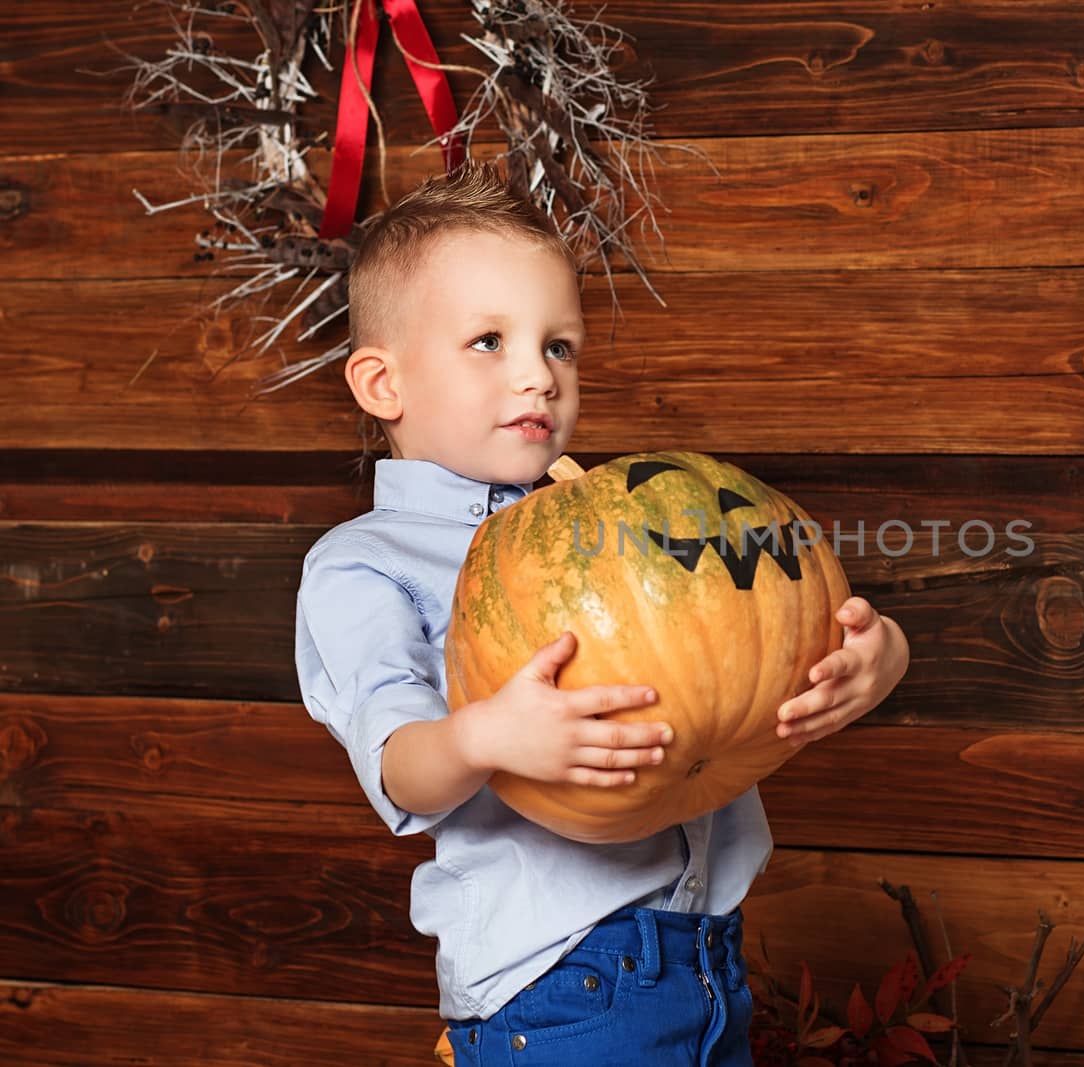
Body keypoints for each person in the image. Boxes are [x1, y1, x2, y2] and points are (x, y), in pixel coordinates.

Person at [293, 158, 910, 1066]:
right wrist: (484, 736)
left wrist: (875, 651)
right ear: (384, 383)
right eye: (488, 342)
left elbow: (761, 623)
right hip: (559, 987)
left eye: (559, 345)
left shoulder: (629, 519)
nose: (538, 376)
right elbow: (399, 771)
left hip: (706, 960)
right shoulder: (364, 564)